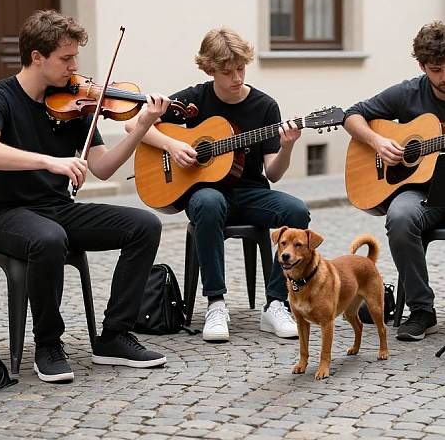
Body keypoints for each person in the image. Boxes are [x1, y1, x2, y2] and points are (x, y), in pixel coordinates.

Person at [0, 10, 169, 383]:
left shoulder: (75, 101)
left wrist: (140, 128)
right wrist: (49, 162)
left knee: (144, 225)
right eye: (66, 58)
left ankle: (115, 336)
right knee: (48, 238)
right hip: (6, 212)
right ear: (37, 57)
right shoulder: (0, 98)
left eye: (75, 57)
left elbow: (102, 167)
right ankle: (48, 344)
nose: (75, 67)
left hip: (57, 208)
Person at [126, 27, 310, 342]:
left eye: (241, 68)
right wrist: (173, 146)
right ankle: (216, 303)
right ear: (210, 69)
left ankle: (277, 303)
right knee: (207, 203)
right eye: (227, 72)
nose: (237, 77)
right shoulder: (193, 100)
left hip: (251, 192)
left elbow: (274, 173)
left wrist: (288, 145)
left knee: (297, 211)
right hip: (207, 195)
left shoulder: (264, 107)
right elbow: (135, 124)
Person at [344, 20, 445, 344]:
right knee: (399, 217)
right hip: (418, 193)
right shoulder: (409, 93)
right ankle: (421, 310)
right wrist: (377, 142)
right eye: (436, 70)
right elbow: (352, 115)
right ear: (422, 66)